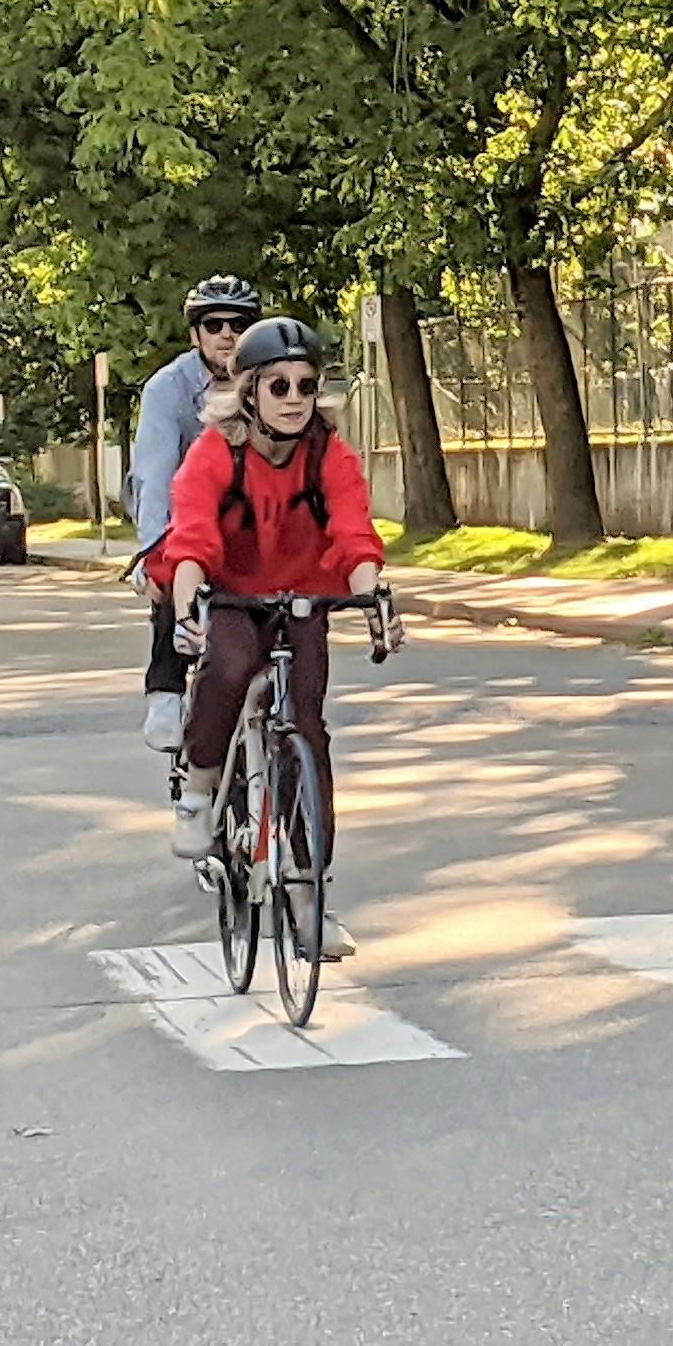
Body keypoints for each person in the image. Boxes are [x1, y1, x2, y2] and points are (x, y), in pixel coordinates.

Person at [151, 317, 396, 955]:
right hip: (233, 593)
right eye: (279, 386)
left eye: (306, 386)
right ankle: (201, 790)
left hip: (303, 598)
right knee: (228, 670)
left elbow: (354, 533)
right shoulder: (216, 451)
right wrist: (187, 610)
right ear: (250, 392)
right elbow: (192, 541)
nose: (294, 399)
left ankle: (311, 900)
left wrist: (371, 595)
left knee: (308, 737)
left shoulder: (327, 454)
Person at [129, 274, 264, 748]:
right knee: (175, 567)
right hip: (184, 517)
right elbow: (154, 473)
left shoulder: (275, 383)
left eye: (239, 325)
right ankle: (165, 692)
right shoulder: (168, 388)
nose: (226, 335)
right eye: (214, 325)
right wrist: (152, 553)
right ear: (196, 335)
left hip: (251, 520)